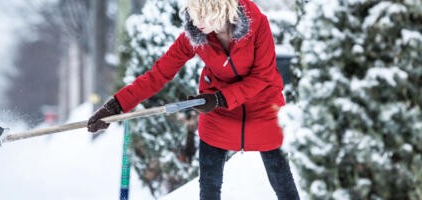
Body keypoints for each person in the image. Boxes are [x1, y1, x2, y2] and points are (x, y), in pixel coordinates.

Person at [87, 0, 299, 199]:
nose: (196, 22)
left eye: (202, 15)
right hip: (218, 110)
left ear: (219, 8)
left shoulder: (257, 23)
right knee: (209, 185)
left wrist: (219, 98)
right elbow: (158, 74)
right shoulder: (196, 33)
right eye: (193, 14)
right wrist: (115, 106)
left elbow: (263, 76)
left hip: (262, 105)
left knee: (282, 180)